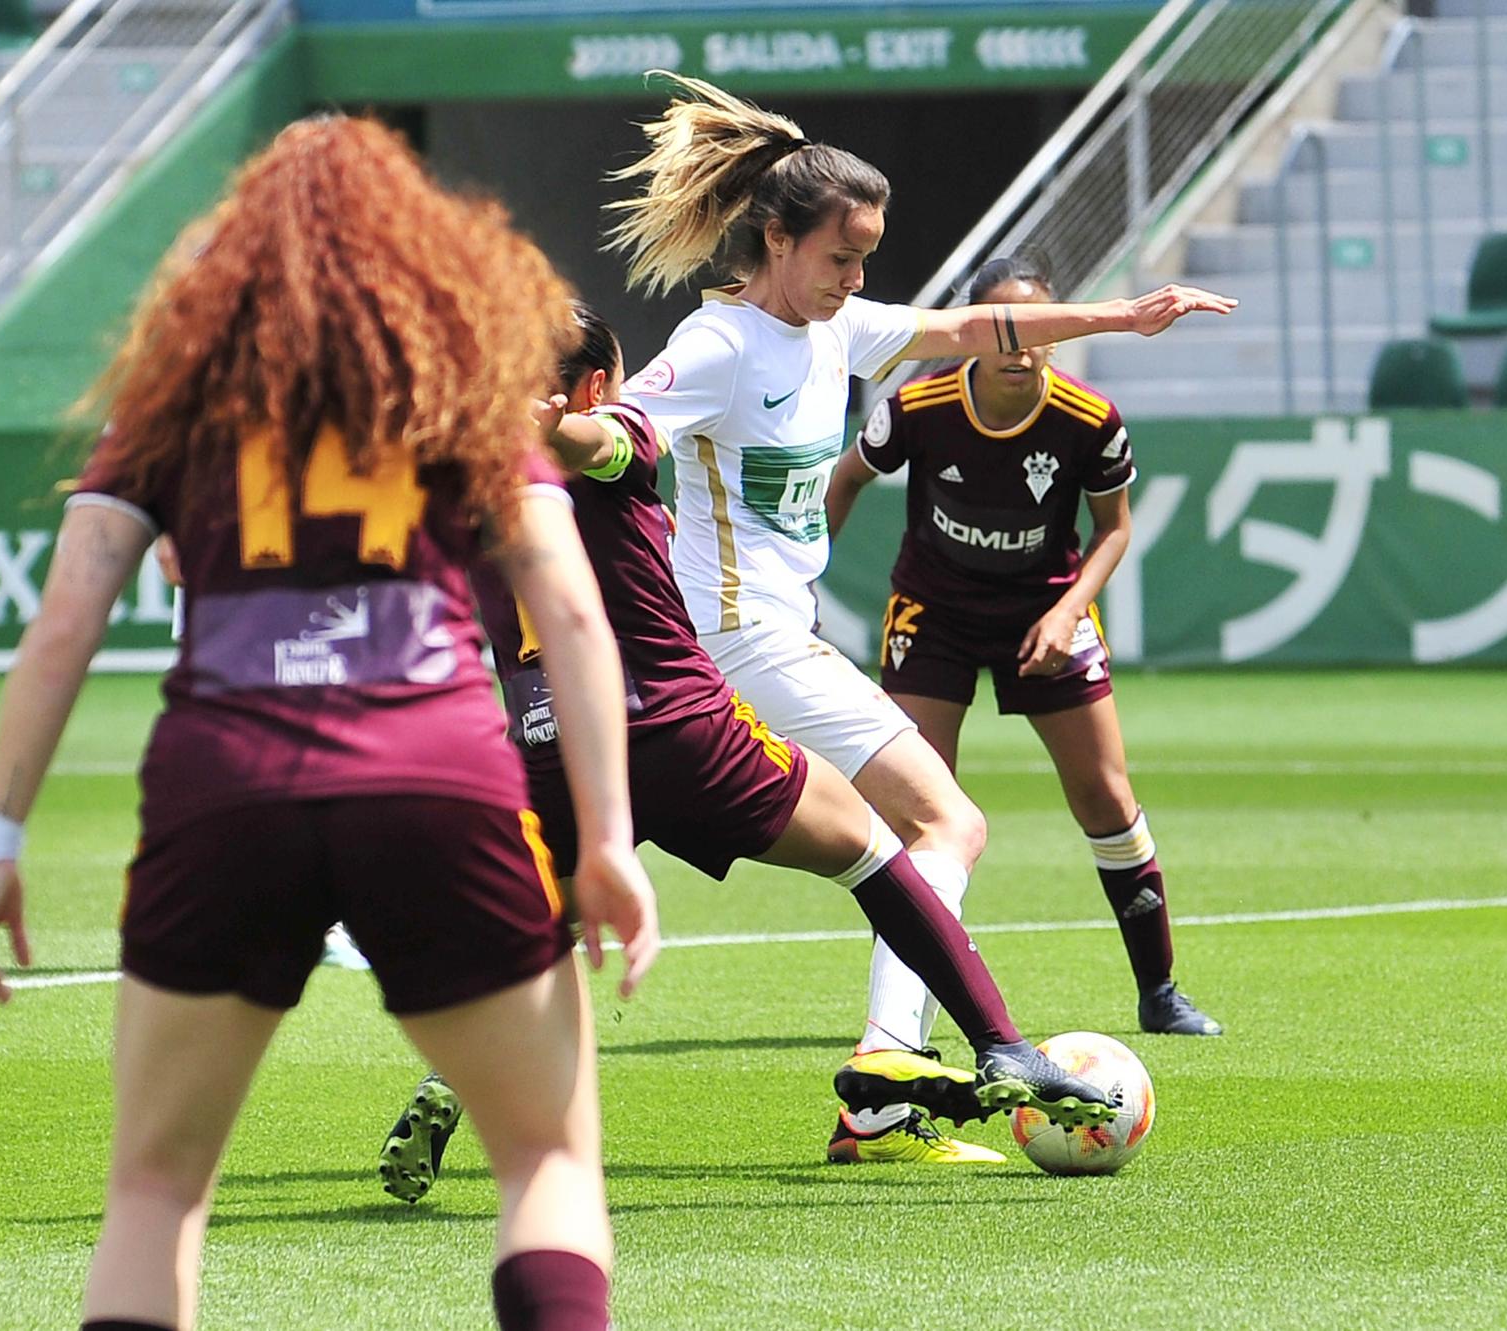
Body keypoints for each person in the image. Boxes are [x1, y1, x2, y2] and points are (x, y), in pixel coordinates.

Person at [0, 117, 657, 1331]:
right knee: (545, 1161)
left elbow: (64, 623)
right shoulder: (459, 388)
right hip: (438, 777)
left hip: (224, 781)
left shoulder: (173, 398)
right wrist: (606, 836)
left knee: (155, 1187)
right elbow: (572, 617)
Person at [601, 73, 1235, 1155]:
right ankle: (887, 1073)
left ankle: (455, 1041)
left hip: (758, 643)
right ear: (776, 237)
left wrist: (1121, 317)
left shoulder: (834, 334)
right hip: (735, 641)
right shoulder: (718, 346)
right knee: (947, 822)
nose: (855, 279)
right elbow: (616, 429)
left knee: (619, 838)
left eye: (866, 260)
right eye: (840, 257)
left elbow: (973, 323)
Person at [379, 302, 1119, 1195]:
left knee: (545, 928)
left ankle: (460, 1075)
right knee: (880, 851)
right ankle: (1002, 1045)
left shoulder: (463, 486)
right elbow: (601, 449)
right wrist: (557, 426)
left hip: (549, 750)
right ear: (601, 386)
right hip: (676, 728)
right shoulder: (617, 443)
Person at [826, 255, 1220, 1039]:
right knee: (918, 811)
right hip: (933, 612)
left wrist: (1070, 611)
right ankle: (904, 1012)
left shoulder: (1090, 418)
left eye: (1036, 328)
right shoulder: (919, 406)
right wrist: (800, 581)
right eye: (1005, 329)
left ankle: (1160, 989)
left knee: (1105, 796)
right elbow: (844, 481)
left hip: (1046, 608)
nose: (1021, 346)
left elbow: (1114, 531)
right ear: (976, 335)